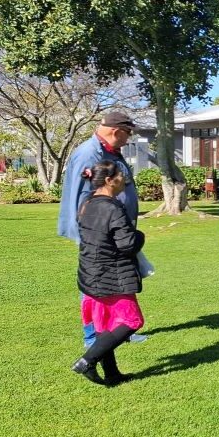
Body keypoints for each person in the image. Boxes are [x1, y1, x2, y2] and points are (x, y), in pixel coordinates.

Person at [58, 110, 144, 346]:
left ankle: (118, 328)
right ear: (116, 131)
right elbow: (80, 197)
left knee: (116, 279)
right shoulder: (90, 153)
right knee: (94, 281)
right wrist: (91, 233)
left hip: (114, 228)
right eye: (127, 133)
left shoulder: (109, 151)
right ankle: (93, 337)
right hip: (98, 232)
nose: (128, 139)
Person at [71, 161, 147, 385]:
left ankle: (112, 373)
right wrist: (140, 235)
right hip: (111, 275)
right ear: (108, 180)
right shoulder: (113, 207)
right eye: (121, 175)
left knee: (106, 325)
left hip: (90, 272)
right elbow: (128, 245)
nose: (124, 179)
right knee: (133, 321)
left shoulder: (87, 202)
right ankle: (87, 361)